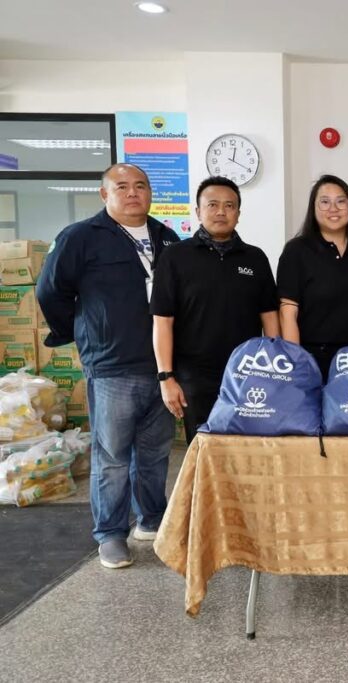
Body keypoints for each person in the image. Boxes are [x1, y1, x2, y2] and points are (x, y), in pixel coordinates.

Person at [36, 163, 180, 569]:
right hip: (112, 365)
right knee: (113, 456)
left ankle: (151, 519)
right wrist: (83, 333)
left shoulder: (167, 238)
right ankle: (111, 534)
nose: (133, 193)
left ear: (150, 193)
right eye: (122, 186)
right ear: (104, 194)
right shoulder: (81, 237)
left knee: (154, 453)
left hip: (161, 366)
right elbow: (49, 291)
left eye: (140, 186)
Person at [151, 176, 280, 444]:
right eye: (212, 205)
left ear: (238, 214)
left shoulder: (255, 258)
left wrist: (274, 370)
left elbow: (269, 317)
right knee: (203, 447)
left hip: (248, 374)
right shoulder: (175, 256)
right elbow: (162, 321)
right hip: (194, 376)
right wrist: (166, 378)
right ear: (198, 211)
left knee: (247, 447)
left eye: (229, 206)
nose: (221, 211)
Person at [277, 175, 348, 380]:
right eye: (324, 202)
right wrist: (296, 362)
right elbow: (287, 313)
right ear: (313, 208)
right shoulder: (297, 251)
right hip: (312, 359)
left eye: (341, 201)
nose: (333, 208)